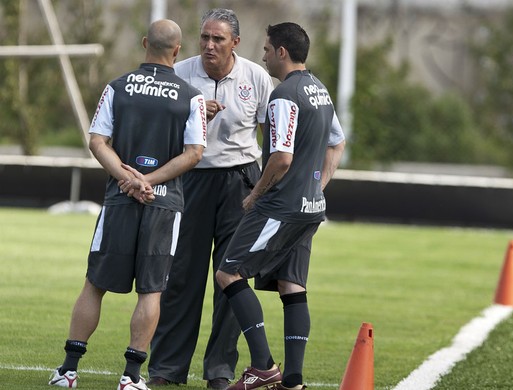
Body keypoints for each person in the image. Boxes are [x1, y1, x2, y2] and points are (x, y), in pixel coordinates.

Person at [48, 19, 207, 390]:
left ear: (143, 43)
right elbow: (195, 153)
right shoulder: (191, 95)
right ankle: (130, 378)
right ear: (178, 51)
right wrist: (148, 182)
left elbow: (97, 141)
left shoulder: (117, 87)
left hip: (119, 199)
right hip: (164, 204)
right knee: (151, 290)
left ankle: (68, 371)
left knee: (94, 284)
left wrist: (129, 180)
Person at [146, 8, 274, 390]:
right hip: (192, 181)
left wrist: (262, 188)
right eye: (204, 37)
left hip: (241, 181)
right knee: (182, 275)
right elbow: (165, 127)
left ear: (235, 42)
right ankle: (167, 368)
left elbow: (271, 132)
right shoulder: (181, 73)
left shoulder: (256, 76)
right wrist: (196, 112)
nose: (209, 45)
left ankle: (220, 369)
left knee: (231, 278)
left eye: (218, 39)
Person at [215, 22, 346, 390]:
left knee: (228, 273)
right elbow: (338, 142)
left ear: (282, 52)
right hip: (310, 208)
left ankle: (262, 367)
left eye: (267, 49)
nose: (263, 55)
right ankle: (293, 381)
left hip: (280, 207)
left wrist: (255, 194)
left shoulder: (284, 95)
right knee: (292, 286)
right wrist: (317, 187)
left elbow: (282, 157)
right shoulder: (320, 90)